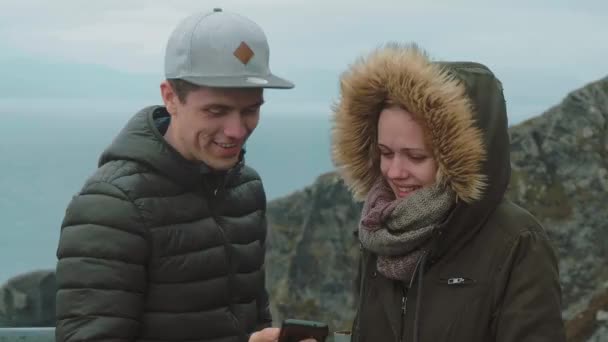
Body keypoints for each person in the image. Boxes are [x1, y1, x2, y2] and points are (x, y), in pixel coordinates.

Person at [55, 8, 302, 342]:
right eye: (216, 111)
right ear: (170, 97)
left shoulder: (246, 188)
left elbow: (253, 319)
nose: (236, 130)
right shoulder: (111, 206)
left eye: (251, 110)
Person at [330, 43, 566, 342]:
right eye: (385, 153)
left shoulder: (518, 243)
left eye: (416, 157)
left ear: (457, 159)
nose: (394, 172)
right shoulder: (380, 230)